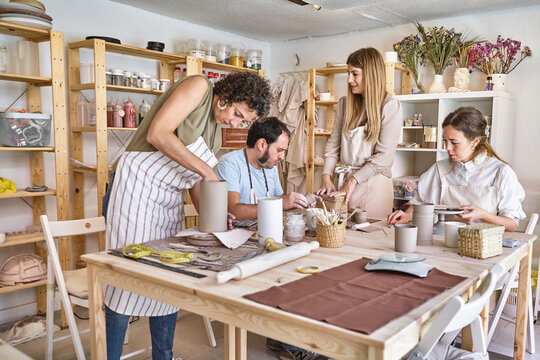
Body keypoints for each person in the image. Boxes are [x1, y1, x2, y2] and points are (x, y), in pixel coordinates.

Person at [103, 71, 272, 360]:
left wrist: (214, 217)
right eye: (236, 113)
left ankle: (163, 357)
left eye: (242, 121)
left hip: (168, 197)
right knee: (125, 277)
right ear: (228, 94)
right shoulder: (199, 87)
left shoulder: (215, 130)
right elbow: (158, 134)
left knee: (168, 277)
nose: (235, 123)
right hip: (136, 187)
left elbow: (194, 179)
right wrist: (208, 171)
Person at [387, 107, 525, 231]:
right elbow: (420, 204)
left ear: (475, 141)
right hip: (444, 243)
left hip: (484, 248)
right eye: (445, 141)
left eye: (454, 142)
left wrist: (483, 215)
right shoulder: (440, 169)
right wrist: (407, 215)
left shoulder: (501, 173)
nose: (447, 148)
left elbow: (511, 224)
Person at [316, 47, 402, 218]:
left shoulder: (389, 106)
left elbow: (383, 157)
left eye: (355, 74)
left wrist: (353, 180)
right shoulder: (344, 104)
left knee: (366, 238)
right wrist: (326, 177)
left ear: (371, 74)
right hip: (345, 183)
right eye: (348, 73)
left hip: (374, 186)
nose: (349, 80)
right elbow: (333, 146)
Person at [216, 116, 308, 220]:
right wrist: (280, 204)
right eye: (279, 150)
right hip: (237, 233)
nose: (282, 157)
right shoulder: (229, 164)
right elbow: (234, 211)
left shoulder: (270, 165)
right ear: (261, 144)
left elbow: (279, 198)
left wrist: (299, 201)